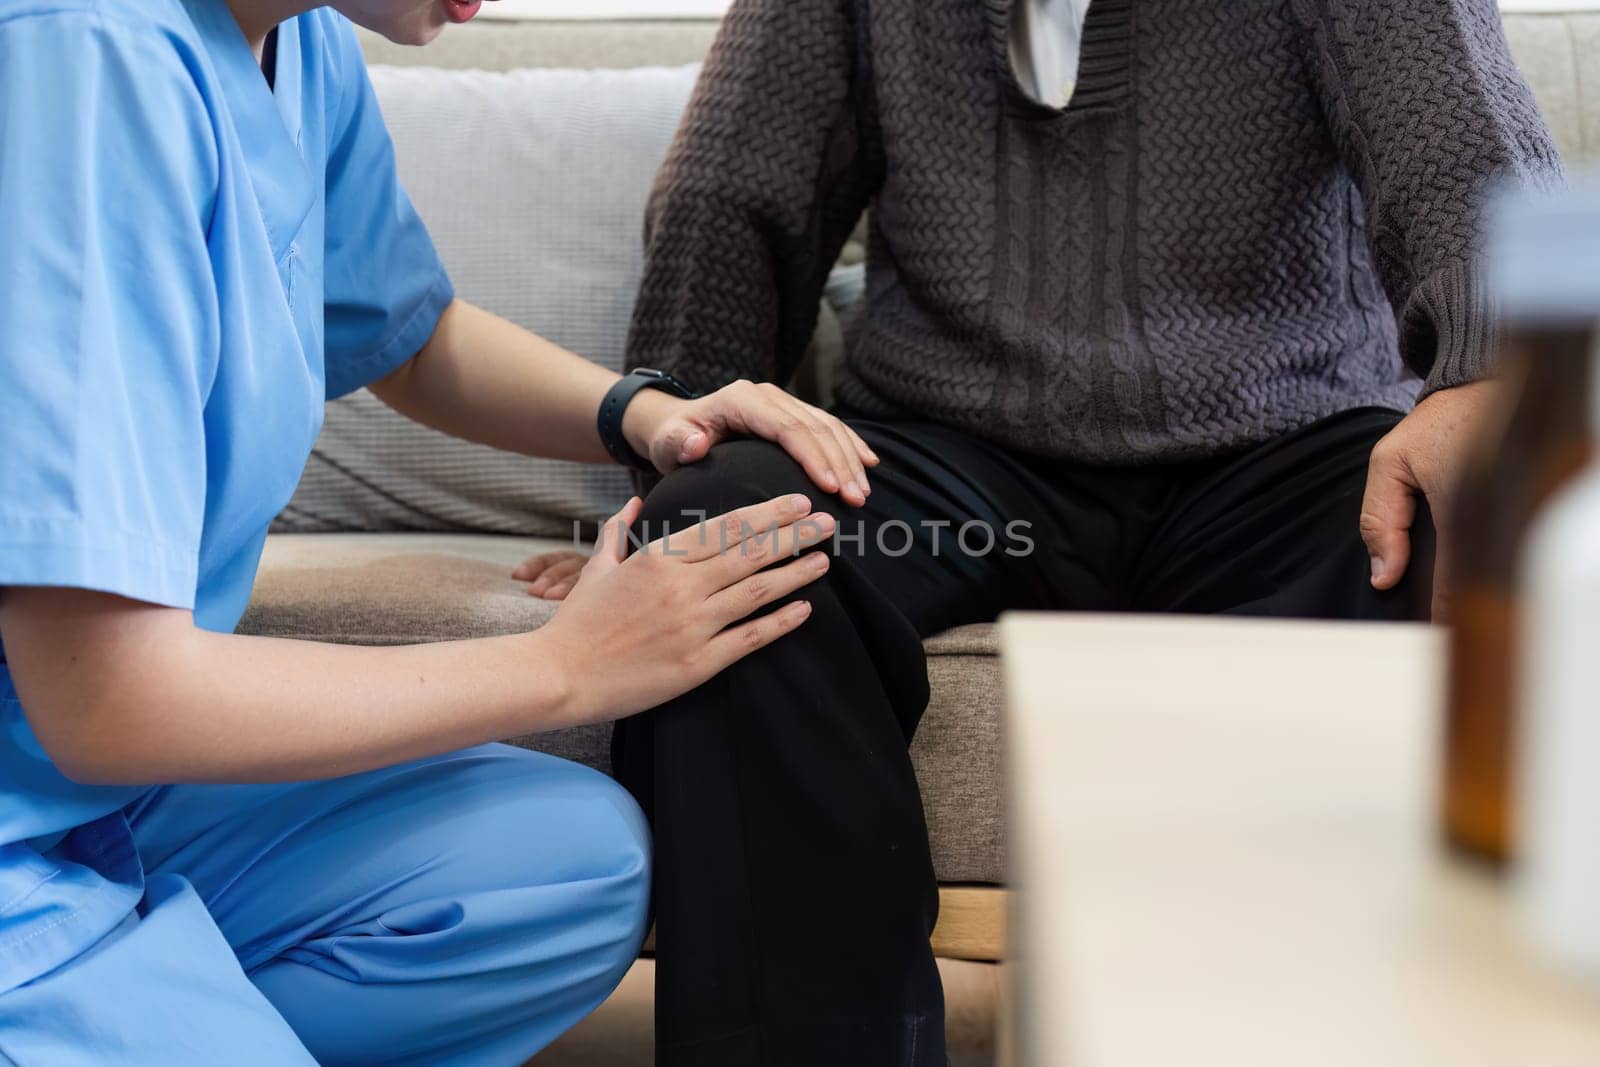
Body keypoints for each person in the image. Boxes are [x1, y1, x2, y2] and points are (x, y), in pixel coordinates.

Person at [515, 0, 1565, 1062]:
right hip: (953, 449)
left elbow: (1466, 147)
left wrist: (1488, 375)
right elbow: (732, 198)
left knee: (1455, 525)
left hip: (1282, 446)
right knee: (721, 538)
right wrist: (664, 469)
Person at [0, 0, 872, 1062]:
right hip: (37, 801)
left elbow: (404, 336)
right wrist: (566, 666)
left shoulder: (299, 41)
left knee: (567, 861)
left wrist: (644, 412)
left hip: (106, 793)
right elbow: (104, 695)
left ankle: (143, 998)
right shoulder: (85, 61)